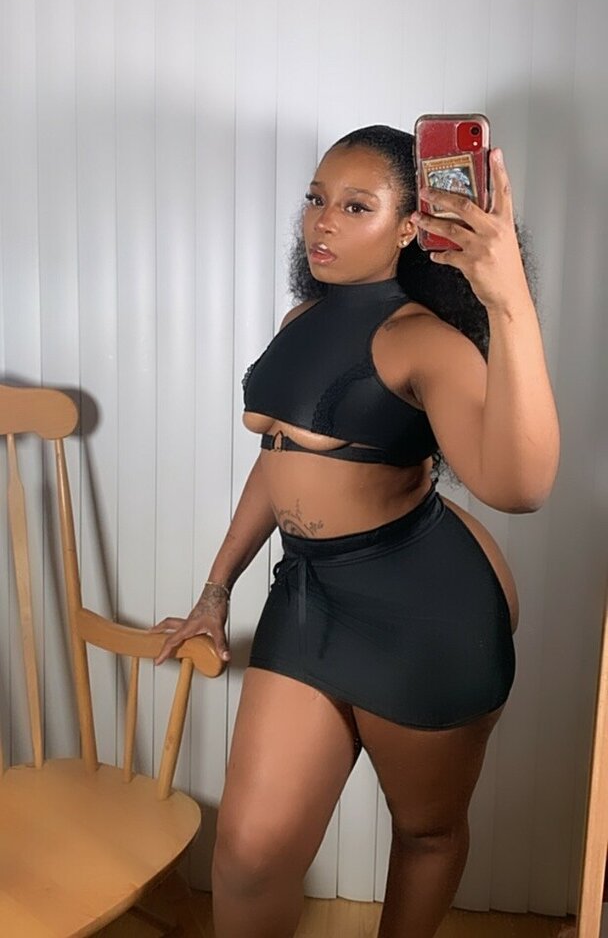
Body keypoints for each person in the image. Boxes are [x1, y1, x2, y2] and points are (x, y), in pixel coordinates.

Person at [149, 125, 560, 938]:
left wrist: (507, 299)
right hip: (309, 599)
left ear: (410, 227)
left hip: (421, 614)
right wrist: (215, 590)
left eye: (355, 206)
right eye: (316, 199)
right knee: (249, 855)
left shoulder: (425, 341)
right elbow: (279, 460)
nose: (322, 221)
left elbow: (520, 487)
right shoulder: (302, 317)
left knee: (427, 831)